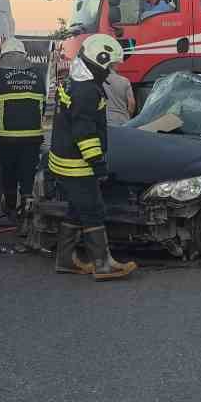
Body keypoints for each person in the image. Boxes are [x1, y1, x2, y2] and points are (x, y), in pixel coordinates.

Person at [45, 33, 136, 281]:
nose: (112, 71)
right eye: (111, 65)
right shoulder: (87, 91)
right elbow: (84, 132)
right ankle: (103, 264)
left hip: (64, 160)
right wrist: (97, 164)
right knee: (94, 210)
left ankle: (65, 260)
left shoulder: (76, 81)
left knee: (77, 209)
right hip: (77, 165)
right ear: (100, 60)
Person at [0, 38, 47, 228]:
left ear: (3, 55)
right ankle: (28, 214)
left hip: (8, 137)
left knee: (9, 174)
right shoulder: (37, 74)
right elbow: (43, 105)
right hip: (33, 136)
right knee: (28, 173)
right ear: (23, 55)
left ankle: (11, 212)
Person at [101, 62, 136, 126]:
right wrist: (127, 116)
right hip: (123, 119)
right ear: (114, 66)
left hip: (106, 119)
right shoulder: (125, 80)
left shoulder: (99, 80)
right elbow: (132, 104)